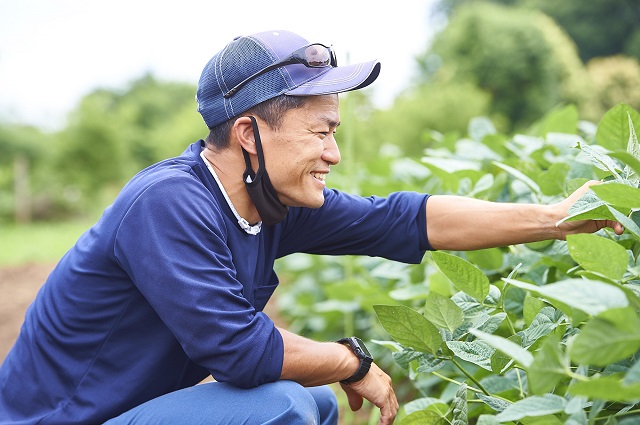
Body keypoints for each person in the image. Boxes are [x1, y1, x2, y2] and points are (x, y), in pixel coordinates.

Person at [0, 29, 623, 425]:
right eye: (320, 131)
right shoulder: (168, 203)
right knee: (281, 404)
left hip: (139, 412)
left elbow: (403, 218)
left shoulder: (270, 200)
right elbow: (242, 353)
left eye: (335, 132)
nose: (333, 152)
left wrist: (554, 220)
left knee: (313, 402)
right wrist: (352, 360)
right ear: (249, 133)